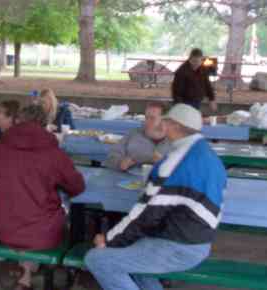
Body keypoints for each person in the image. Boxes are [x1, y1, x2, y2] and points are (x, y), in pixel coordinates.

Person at [85, 104, 227, 290]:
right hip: (198, 240)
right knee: (131, 255)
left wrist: (108, 239)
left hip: (178, 246)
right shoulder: (208, 155)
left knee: (96, 259)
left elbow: (146, 215)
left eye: (165, 121)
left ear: (174, 126)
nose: (162, 126)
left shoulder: (175, 162)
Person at [0, 105, 85, 290]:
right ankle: (38, 269)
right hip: (41, 232)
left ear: (18, 121)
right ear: (45, 124)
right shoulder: (53, 153)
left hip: (3, 227)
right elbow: (77, 187)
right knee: (57, 212)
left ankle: (25, 273)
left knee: (27, 212)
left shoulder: (0, 148)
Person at [104, 102, 172, 171]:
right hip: (128, 180)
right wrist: (120, 163)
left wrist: (163, 163)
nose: (146, 121)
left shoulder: (175, 140)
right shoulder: (134, 134)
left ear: (165, 120)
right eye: (146, 117)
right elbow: (111, 156)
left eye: (152, 118)